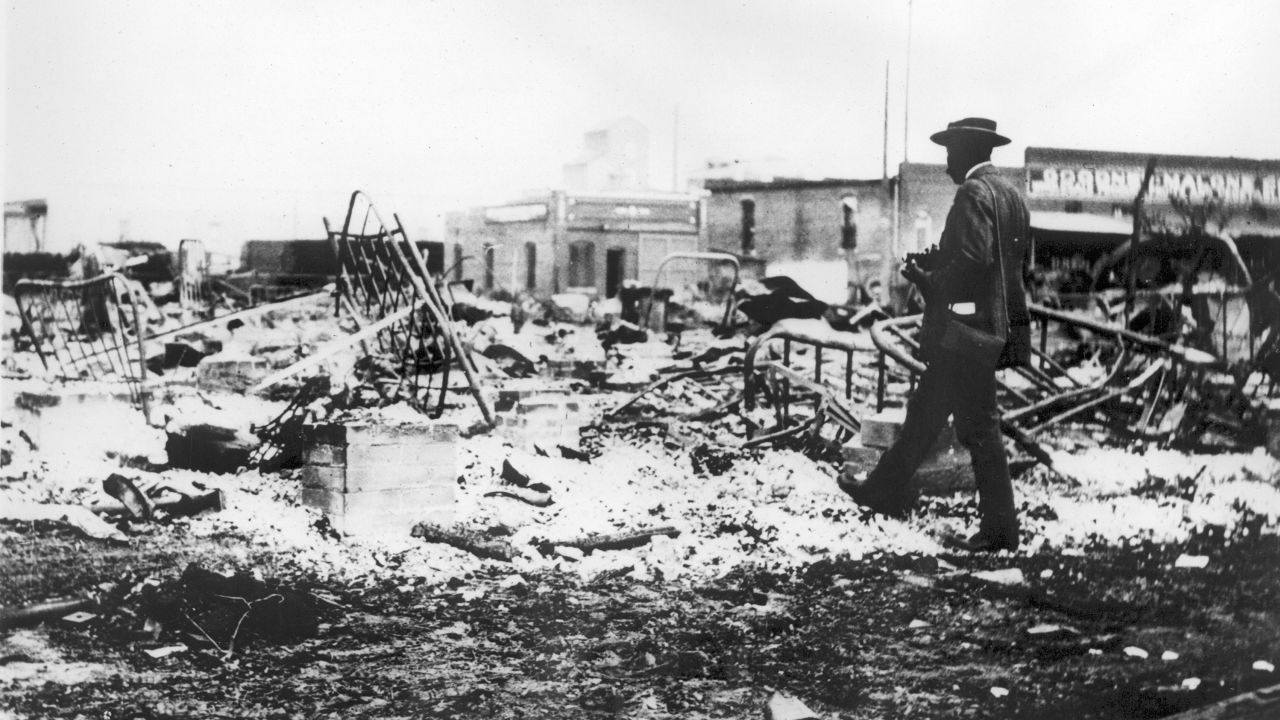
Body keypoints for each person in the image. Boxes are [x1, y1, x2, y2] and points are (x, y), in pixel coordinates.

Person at [845, 117, 1031, 552]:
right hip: (993, 329)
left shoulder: (972, 193)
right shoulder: (1011, 196)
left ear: (966, 151)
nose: (946, 161)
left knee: (976, 427)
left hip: (965, 333)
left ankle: (1000, 530)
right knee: (928, 412)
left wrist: (928, 279)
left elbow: (971, 262)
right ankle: (885, 489)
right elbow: (1008, 266)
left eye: (950, 151)